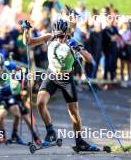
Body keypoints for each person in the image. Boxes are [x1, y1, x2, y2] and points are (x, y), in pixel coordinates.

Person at [22, 19, 99, 151]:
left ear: (66, 33)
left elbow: (90, 59)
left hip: (66, 78)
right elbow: (28, 42)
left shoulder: (72, 42)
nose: (59, 39)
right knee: (40, 103)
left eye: (62, 36)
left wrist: (79, 50)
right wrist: (26, 30)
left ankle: (79, 141)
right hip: (52, 75)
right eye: (57, 35)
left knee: (73, 112)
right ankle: (51, 132)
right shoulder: (49, 37)